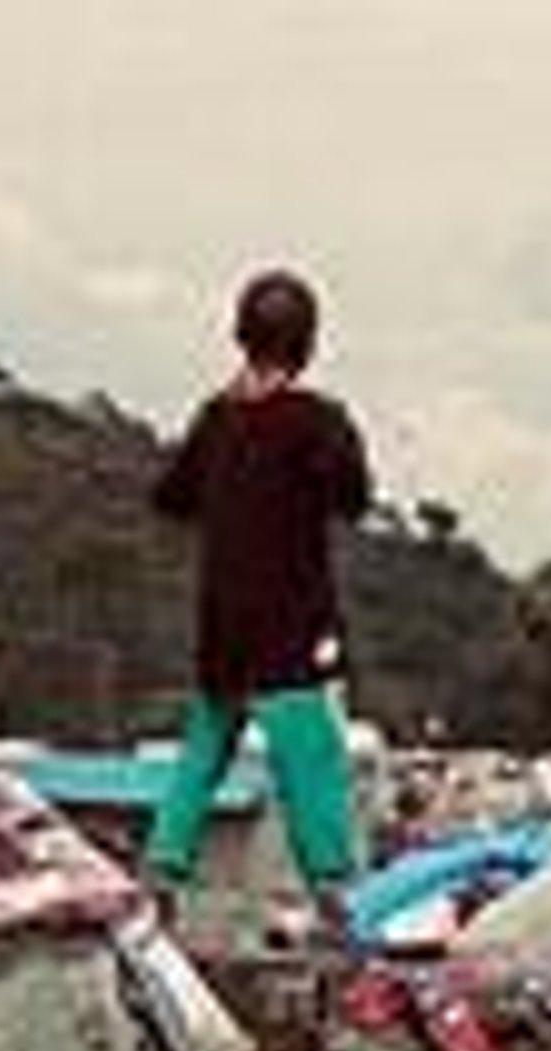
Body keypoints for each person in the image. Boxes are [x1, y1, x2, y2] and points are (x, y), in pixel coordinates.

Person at [142, 265, 375, 932]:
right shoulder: (317, 420)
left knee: (203, 752)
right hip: (291, 627)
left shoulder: (215, 418)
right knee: (313, 761)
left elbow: (170, 497)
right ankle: (335, 896)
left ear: (240, 335)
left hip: (222, 624)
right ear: (308, 343)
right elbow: (354, 497)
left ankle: (163, 870)